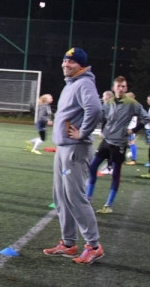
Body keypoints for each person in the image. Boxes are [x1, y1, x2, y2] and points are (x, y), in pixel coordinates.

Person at [43, 47, 105, 264]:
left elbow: (95, 109)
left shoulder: (84, 83)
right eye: (64, 61)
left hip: (75, 149)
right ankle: (68, 244)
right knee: (60, 196)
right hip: (63, 148)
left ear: (82, 65)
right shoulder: (72, 83)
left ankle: (93, 245)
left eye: (71, 62)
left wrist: (83, 133)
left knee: (75, 197)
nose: (65, 65)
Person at [86, 76, 150, 214]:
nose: (120, 89)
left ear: (126, 88)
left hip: (119, 144)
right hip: (106, 142)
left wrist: (133, 130)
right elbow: (101, 118)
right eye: (118, 86)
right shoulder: (108, 103)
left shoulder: (132, 103)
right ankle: (88, 197)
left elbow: (146, 118)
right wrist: (102, 130)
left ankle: (108, 205)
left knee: (116, 174)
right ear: (113, 88)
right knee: (92, 167)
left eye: (123, 86)